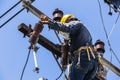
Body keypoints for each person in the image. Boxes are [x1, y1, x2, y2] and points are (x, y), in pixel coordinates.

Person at [41, 14, 98, 80]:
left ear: (69, 20)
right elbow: (72, 48)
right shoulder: (84, 33)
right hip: (94, 63)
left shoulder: (76, 23)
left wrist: (50, 22)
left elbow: (67, 27)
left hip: (83, 58)